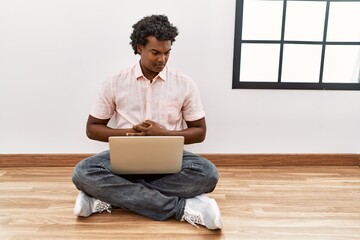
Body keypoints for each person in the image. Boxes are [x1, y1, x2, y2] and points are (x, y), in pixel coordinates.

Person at [72, 14, 222, 230]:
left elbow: (200, 132)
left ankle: (106, 197)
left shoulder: (184, 84)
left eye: (167, 52)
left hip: (169, 160)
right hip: (125, 159)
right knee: (83, 172)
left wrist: (163, 135)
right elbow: (92, 129)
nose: (162, 59)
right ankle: (183, 207)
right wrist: (130, 134)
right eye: (155, 52)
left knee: (207, 174)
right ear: (139, 48)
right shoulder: (115, 82)